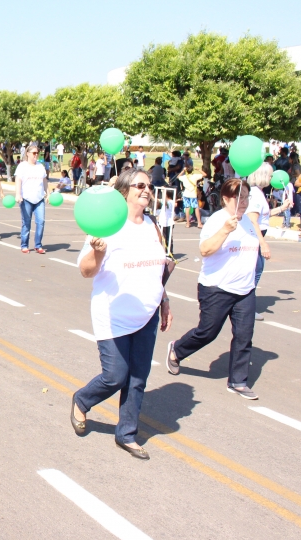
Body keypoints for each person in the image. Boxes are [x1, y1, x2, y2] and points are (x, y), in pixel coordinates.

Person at [72, 169, 172, 460]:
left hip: (147, 313)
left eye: (149, 186)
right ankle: (82, 399)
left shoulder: (153, 225)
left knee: (138, 377)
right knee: (115, 376)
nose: (147, 190)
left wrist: (164, 299)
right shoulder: (108, 224)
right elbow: (85, 271)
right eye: (140, 185)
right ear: (124, 191)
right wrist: (98, 252)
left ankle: (126, 434)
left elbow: (158, 267)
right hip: (113, 313)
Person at [166, 179, 260, 400]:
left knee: (244, 335)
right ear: (226, 199)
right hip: (217, 288)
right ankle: (177, 350)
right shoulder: (217, 221)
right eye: (239, 198)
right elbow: (205, 250)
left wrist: (262, 244)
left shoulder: (247, 220)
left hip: (245, 290)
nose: (244, 202)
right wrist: (225, 230)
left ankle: (238, 381)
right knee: (208, 332)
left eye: (246, 197)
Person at [246, 163, 291, 321]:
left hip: (257, 236)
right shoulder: (255, 194)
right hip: (254, 237)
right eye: (270, 175)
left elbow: (264, 215)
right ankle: (246, 308)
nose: (272, 178)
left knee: (255, 272)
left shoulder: (258, 193)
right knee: (254, 272)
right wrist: (262, 243)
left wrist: (282, 208)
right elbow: (253, 220)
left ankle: (245, 306)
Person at [15, 145, 48, 254]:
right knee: (26, 223)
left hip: (39, 199)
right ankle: (24, 245)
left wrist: (47, 193)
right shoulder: (22, 166)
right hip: (26, 199)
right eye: (34, 153)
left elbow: (44, 181)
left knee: (41, 222)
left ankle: (38, 245)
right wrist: (18, 194)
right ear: (28, 153)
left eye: (37, 153)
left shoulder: (40, 166)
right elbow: (18, 180)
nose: (36, 155)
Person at [178, 160, 204, 228]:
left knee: (187, 208)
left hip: (186, 194)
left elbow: (178, 176)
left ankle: (187, 223)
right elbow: (204, 175)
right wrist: (198, 169)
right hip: (193, 195)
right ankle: (199, 223)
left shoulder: (184, 177)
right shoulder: (195, 176)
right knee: (196, 208)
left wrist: (183, 171)